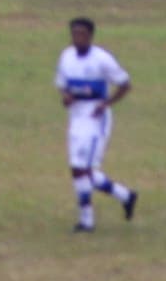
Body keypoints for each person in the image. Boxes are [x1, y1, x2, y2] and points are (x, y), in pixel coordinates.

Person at [55, 18, 137, 236]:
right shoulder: (67, 57)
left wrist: (107, 103)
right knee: (77, 170)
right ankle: (126, 196)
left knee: (84, 170)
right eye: (74, 34)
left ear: (91, 36)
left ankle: (86, 221)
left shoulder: (102, 59)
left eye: (82, 34)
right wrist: (66, 98)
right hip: (76, 118)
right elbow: (62, 86)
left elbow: (125, 84)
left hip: (95, 119)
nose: (77, 38)